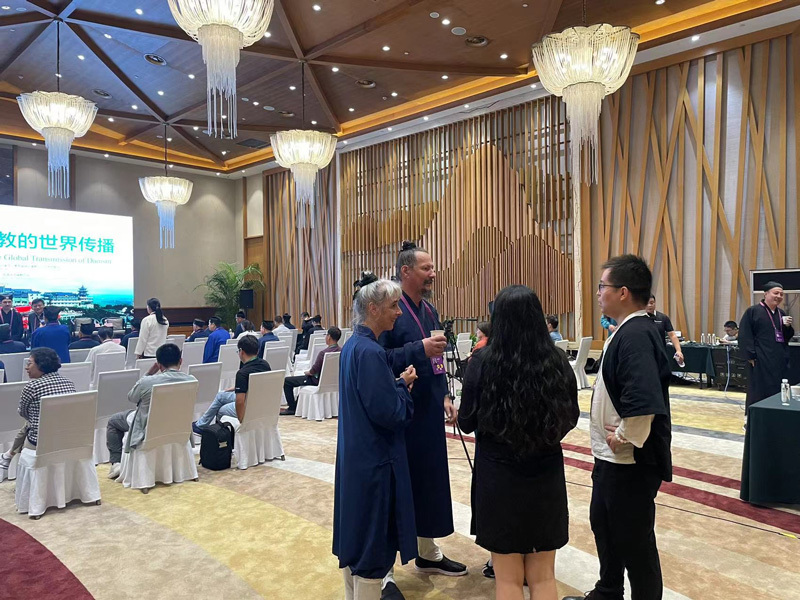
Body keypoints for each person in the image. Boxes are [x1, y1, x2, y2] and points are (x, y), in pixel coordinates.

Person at [460, 285, 579, 600]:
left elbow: (467, 421)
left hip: (497, 478)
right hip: (545, 475)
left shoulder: (482, 361)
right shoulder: (557, 360)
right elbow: (571, 416)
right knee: (543, 577)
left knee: (508, 580)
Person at [564, 254, 672, 600]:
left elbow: (644, 397)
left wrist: (625, 436)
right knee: (605, 524)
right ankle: (608, 590)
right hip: (612, 458)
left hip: (629, 460)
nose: (598, 293)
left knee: (635, 541)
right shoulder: (625, 329)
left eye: (602, 286)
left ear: (623, 292)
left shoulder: (637, 333)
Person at [378, 241, 466, 599]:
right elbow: (378, 358)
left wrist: (444, 394)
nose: (433, 274)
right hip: (400, 410)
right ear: (406, 272)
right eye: (426, 268)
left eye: (432, 268)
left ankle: (428, 552)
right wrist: (419, 350)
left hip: (428, 409)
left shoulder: (429, 309)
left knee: (428, 480)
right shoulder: (389, 309)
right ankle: (382, 571)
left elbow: (438, 358)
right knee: (396, 485)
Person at [333, 273, 418, 600]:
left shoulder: (352, 346)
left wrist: (395, 385)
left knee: (356, 539)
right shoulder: (370, 352)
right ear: (373, 308)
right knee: (372, 548)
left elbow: (369, 398)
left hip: (358, 457)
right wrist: (405, 390)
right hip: (376, 463)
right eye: (394, 306)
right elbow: (391, 415)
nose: (399, 312)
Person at [105, 343, 195, 480]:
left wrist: (148, 374)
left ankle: (116, 463)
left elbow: (131, 397)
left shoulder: (147, 382)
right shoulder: (191, 380)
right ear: (180, 361)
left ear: (159, 365)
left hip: (148, 426)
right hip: (177, 426)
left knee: (113, 421)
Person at [0, 348, 76, 475]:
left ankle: (8, 455)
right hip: (65, 435)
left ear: (41, 365)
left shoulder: (32, 387)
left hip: (39, 440)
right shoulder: (69, 383)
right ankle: (7, 456)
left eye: (29, 363)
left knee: (30, 424)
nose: (26, 367)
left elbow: (22, 413)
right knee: (32, 423)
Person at [192, 335, 270, 433]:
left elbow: (240, 402)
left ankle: (218, 434)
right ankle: (201, 424)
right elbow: (253, 383)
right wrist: (235, 388)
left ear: (241, 351)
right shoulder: (265, 365)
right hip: (261, 402)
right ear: (257, 351)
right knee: (221, 395)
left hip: (249, 406)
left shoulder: (242, 373)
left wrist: (242, 421)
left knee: (221, 410)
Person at [738, 281, 795, 413]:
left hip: (778, 359)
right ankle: (755, 417)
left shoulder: (781, 313)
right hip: (760, 358)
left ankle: (775, 415)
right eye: (776, 293)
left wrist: (787, 327)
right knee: (758, 388)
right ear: (766, 294)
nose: (779, 296)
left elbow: (786, 337)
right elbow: (745, 335)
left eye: (781, 294)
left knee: (777, 387)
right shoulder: (753, 311)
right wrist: (750, 356)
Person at [282, 326, 341, 415]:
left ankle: (292, 408)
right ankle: (296, 405)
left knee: (287, 381)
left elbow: (314, 370)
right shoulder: (341, 351)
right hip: (332, 381)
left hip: (316, 380)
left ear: (329, 337)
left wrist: (308, 372)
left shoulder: (323, 353)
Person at [645, 295, 683, 365]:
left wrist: (678, 351)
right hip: (645, 353)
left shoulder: (663, 318)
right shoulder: (639, 318)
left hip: (660, 353)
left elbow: (672, 335)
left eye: (652, 303)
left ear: (655, 303)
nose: (649, 305)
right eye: (647, 303)